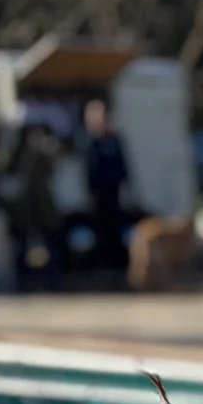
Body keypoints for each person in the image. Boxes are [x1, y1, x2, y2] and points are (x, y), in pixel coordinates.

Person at [80, 98, 131, 274]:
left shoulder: (115, 140)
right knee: (99, 229)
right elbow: (89, 170)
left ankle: (117, 262)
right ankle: (101, 263)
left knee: (116, 227)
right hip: (97, 194)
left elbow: (124, 166)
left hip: (114, 192)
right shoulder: (90, 142)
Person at [12, 123, 66, 289]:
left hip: (45, 209)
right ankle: (25, 278)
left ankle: (53, 277)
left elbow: (53, 168)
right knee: (24, 246)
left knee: (51, 244)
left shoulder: (45, 155)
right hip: (26, 209)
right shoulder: (22, 156)